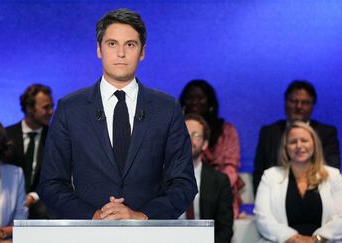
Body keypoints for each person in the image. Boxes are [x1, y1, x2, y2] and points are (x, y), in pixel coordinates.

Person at [37, 8, 197, 220]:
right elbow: (50, 184)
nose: (120, 53)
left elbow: (184, 184)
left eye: (130, 45)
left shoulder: (166, 108)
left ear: (142, 52)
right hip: (88, 235)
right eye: (112, 44)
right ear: (99, 50)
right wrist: (94, 216)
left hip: (149, 235)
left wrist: (141, 216)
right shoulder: (70, 108)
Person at [254, 121, 342, 242]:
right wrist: (292, 239)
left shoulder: (333, 175)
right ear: (285, 147)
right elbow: (262, 217)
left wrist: (316, 239)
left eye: (304, 140)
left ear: (314, 144)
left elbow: (341, 218)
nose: (299, 145)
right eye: (293, 142)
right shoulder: (270, 176)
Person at [253, 80, 340, 195]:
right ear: (285, 102)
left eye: (305, 102)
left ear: (313, 105)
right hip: (275, 196)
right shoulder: (269, 132)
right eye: (293, 101)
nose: (298, 106)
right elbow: (259, 172)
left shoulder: (327, 133)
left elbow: (330, 169)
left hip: (316, 194)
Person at [179, 79, 244, 218]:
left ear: (209, 102)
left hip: (220, 190)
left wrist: (212, 187)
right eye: (190, 98)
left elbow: (231, 168)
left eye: (200, 98)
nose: (195, 102)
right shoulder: (175, 129)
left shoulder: (227, 131)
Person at [5, 84, 54, 219]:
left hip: (39, 203)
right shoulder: (5, 136)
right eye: (46, 107)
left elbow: (58, 178)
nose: (51, 111)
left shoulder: (55, 138)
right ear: (29, 108)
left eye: (51, 106)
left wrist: (32, 196)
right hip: (6, 199)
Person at [182, 113, 233, 243]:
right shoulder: (158, 177)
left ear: (205, 144)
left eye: (196, 135)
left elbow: (225, 230)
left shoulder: (219, 181)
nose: (189, 139)